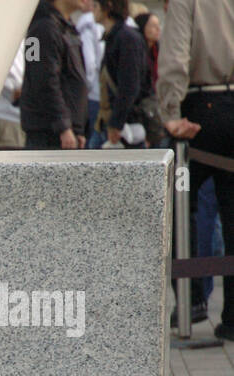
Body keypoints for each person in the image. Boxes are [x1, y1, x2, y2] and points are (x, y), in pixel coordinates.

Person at [159, 0, 234, 340]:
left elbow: (175, 56)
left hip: (200, 111)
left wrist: (171, 111)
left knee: (180, 203)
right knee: (232, 214)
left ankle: (191, 300)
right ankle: (232, 316)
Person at [21, 0, 90, 148]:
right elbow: (43, 80)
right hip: (50, 132)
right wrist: (63, 126)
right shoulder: (43, 28)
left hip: (67, 130)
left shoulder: (65, 27)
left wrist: (78, 128)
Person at [95, 0, 155, 147]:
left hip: (127, 126)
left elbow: (129, 85)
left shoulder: (126, 38)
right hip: (120, 124)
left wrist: (116, 123)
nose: (91, 8)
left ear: (108, 6)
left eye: (95, 4)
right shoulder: (116, 37)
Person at [77, 0, 107, 147]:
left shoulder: (86, 26)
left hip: (93, 94)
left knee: (93, 144)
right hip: (105, 93)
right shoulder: (102, 25)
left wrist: (85, 90)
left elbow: (89, 64)